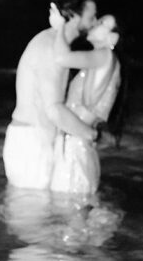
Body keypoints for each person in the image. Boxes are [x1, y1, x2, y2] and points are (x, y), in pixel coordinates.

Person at [2, 0, 100, 190]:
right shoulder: (49, 47)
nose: (95, 22)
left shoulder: (57, 45)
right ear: (72, 15)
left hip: (35, 140)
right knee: (33, 217)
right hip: (31, 144)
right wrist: (90, 134)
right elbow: (54, 110)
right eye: (91, 17)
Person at [49, 10, 124, 197]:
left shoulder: (103, 55)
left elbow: (62, 58)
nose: (94, 23)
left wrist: (59, 27)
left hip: (76, 148)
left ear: (113, 37)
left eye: (101, 23)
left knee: (71, 214)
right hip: (79, 145)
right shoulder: (106, 60)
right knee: (74, 215)